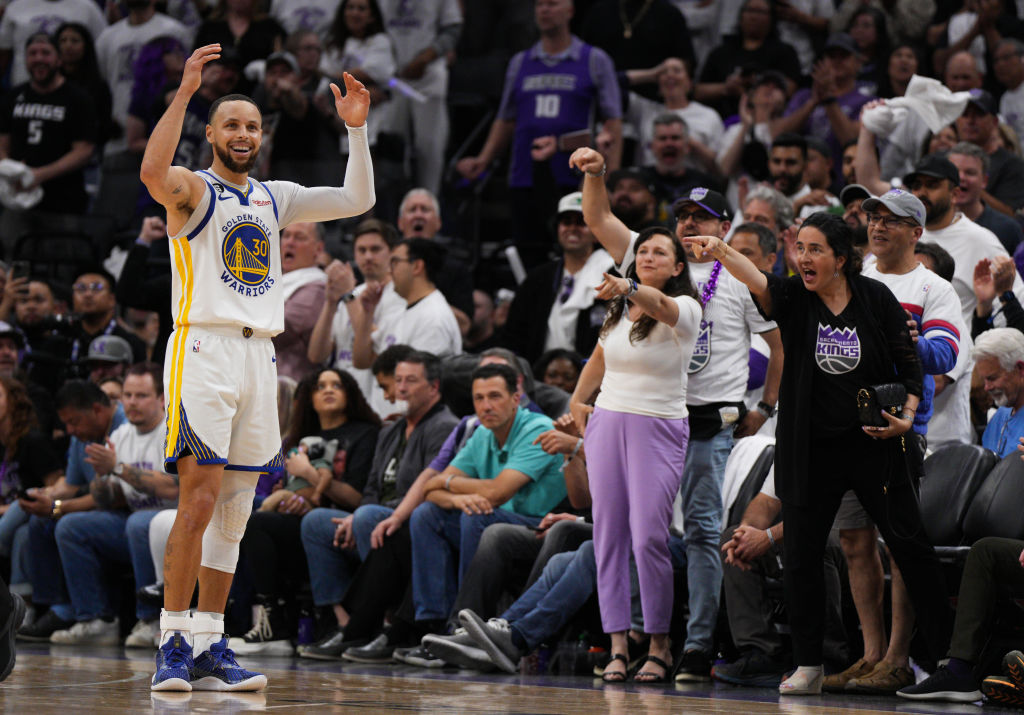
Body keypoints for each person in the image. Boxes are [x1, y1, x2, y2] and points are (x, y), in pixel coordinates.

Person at [138, 42, 373, 691]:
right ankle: (173, 640)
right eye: (231, 124)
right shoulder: (194, 190)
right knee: (199, 500)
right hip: (205, 348)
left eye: (251, 125)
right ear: (211, 134)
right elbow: (153, 174)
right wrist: (184, 93)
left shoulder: (275, 197)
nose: (243, 133)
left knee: (238, 508)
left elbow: (357, 197)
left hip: (258, 356)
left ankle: (213, 642)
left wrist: (355, 127)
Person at [683, 212, 950, 695]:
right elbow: (757, 276)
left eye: (815, 249)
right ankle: (807, 665)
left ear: (841, 259)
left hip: (875, 442)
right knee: (803, 555)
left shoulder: (875, 298)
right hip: (811, 449)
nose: (803, 258)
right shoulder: (792, 299)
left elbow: (909, 364)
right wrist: (721, 249)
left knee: (910, 546)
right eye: (799, 248)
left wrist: (907, 415)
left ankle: (948, 661)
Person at [572, 145, 783, 681]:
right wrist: (598, 172)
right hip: (637, 415)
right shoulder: (646, 256)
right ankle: (633, 638)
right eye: (683, 216)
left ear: (725, 225)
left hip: (707, 418)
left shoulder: (736, 277)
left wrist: (764, 406)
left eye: (702, 217)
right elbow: (597, 216)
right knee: (631, 532)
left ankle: (692, 645)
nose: (690, 224)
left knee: (703, 532)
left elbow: (779, 344)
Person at [569, 225, 701, 683]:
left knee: (648, 537)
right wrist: (577, 399)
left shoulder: (685, 306)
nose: (647, 256)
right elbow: (600, 358)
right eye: (642, 250)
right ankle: (618, 644)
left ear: (677, 267)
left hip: (658, 425)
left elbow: (660, 306)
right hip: (608, 420)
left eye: (659, 252)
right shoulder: (620, 308)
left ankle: (660, 643)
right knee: (608, 536)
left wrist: (629, 284)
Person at [456, 0, 621, 265]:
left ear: (570, 10)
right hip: (524, 175)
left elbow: (612, 122)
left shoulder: (594, 59)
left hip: (573, 177)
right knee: (529, 254)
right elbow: (506, 119)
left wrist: (608, 176)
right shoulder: (520, 62)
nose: (544, 10)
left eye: (553, 4)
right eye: (540, 5)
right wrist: (483, 159)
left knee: (573, 256)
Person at [230, 367, 380, 655]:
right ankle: (273, 622)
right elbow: (292, 490)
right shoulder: (301, 438)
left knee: (281, 522)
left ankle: (312, 622)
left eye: (337, 385)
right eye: (320, 385)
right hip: (305, 521)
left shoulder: (365, 435)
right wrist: (291, 500)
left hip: (345, 521)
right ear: (309, 398)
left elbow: (359, 498)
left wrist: (311, 476)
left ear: (350, 394)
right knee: (255, 522)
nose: (328, 390)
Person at [50, 363, 178, 647]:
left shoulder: (173, 431)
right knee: (71, 527)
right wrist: (100, 474)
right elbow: (110, 497)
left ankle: (151, 620)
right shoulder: (120, 435)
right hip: (134, 522)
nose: (132, 402)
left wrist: (117, 467)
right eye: (128, 395)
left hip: (177, 523)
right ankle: (96, 620)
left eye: (141, 395)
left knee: (139, 522)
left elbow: (172, 487)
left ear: (161, 398)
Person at [0, 32, 98, 245]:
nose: (38, 58)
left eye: (46, 53)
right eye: (32, 53)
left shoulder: (78, 99)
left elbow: (84, 151)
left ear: (58, 59)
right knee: (11, 260)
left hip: (63, 201)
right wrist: (11, 169)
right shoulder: (13, 97)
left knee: (60, 263)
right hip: (17, 198)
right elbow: (2, 144)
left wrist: (39, 175)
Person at [499, 191, 613, 364]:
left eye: (581, 223)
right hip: (541, 377)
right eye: (566, 222)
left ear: (597, 233)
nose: (572, 228)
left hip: (594, 378)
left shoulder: (613, 275)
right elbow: (515, 332)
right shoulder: (539, 278)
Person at [94, 0, 190, 151]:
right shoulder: (108, 37)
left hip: (165, 128)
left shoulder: (174, 30)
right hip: (119, 131)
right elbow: (101, 80)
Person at [274, 222, 326, 381]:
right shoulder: (273, 280)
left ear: (318, 249)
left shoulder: (316, 287)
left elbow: (281, 330)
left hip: (291, 385)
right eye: (287, 236)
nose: (290, 242)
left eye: (299, 237)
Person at [975, 328, 1024, 457]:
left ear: (1020, 369)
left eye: (992, 378)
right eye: (984, 380)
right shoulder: (1000, 416)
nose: (987, 387)